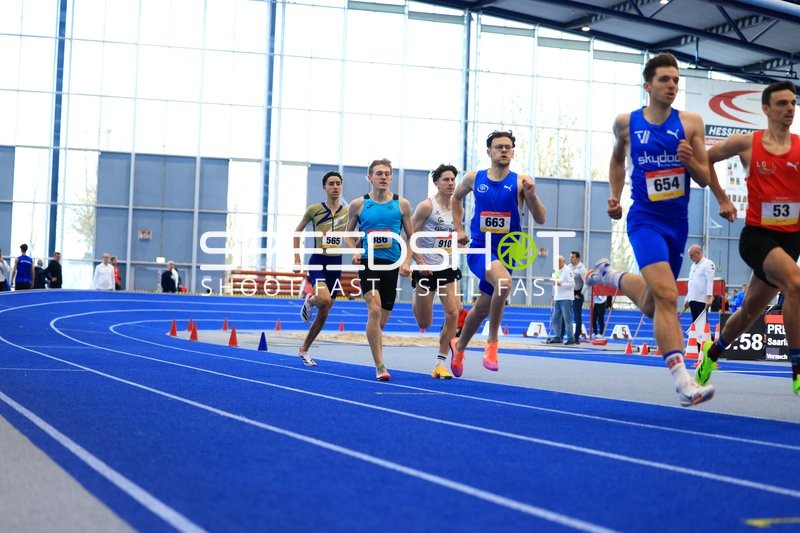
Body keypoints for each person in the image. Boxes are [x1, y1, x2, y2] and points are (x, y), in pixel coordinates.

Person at [586, 52, 715, 407]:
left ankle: (610, 275)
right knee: (668, 297)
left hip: (677, 223)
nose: (672, 85)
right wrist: (614, 197)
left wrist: (691, 163)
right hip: (644, 219)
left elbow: (704, 179)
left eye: (675, 80)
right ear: (647, 85)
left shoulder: (690, 123)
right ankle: (683, 381)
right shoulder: (626, 123)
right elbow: (616, 158)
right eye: (664, 80)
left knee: (652, 302)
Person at [697, 80, 800, 395]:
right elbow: (705, 159)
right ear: (766, 109)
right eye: (782, 103)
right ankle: (797, 369)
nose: (789, 109)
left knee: (750, 312)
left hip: (791, 240)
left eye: (793, 103)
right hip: (757, 238)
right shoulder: (746, 144)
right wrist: (722, 198)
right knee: (796, 284)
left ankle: (712, 353)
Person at [449, 130, 547, 376]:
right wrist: (459, 229)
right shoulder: (474, 178)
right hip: (481, 247)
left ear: (513, 152)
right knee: (504, 283)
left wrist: (532, 196)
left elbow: (541, 218)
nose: (504, 150)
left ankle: (459, 346)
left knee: (482, 308)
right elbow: (456, 199)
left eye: (508, 147)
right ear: (489, 152)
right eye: (499, 146)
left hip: (508, 252)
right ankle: (492, 343)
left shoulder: (521, 182)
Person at [344, 158, 414, 381]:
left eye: (387, 174)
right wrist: (354, 251)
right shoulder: (359, 205)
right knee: (373, 310)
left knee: (380, 322)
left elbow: (412, 237)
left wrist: (406, 262)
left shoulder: (402, 204)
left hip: (392, 264)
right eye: (379, 173)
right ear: (370, 178)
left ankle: (375, 348)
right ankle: (380, 366)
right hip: (368, 263)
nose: (383, 177)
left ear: (391, 178)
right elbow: (348, 234)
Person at [409, 163, 462, 379]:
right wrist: (420, 261)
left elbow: (455, 235)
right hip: (425, 270)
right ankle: (437, 322)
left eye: (453, 179)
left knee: (453, 313)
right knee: (424, 322)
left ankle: (440, 363)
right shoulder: (426, 207)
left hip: (447, 267)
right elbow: (408, 237)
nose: (451, 183)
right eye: (446, 180)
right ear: (436, 183)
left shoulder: (458, 208)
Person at [293, 170, 349, 367]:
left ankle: (304, 349)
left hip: (336, 263)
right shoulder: (314, 209)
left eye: (338, 183)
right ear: (324, 187)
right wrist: (297, 258)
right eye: (331, 183)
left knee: (325, 310)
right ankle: (310, 299)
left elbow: (353, 236)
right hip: (318, 260)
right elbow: (297, 231)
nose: (335, 187)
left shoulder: (348, 212)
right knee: (323, 300)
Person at [546, 255, 576, 344]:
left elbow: (572, 284)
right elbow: (554, 284)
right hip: (558, 298)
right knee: (555, 319)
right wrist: (553, 294)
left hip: (566, 298)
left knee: (567, 319)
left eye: (559, 261)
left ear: (563, 261)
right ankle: (558, 336)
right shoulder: (556, 271)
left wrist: (561, 284)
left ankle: (571, 338)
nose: (558, 263)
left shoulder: (568, 270)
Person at [684, 244, 715, 322]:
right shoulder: (693, 266)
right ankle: (695, 334)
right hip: (693, 298)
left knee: (701, 321)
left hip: (701, 299)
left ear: (698, 253)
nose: (690, 258)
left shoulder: (708, 264)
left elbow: (709, 281)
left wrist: (709, 297)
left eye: (691, 255)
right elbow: (691, 283)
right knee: (694, 321)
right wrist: (687, 298)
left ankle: (704, 334)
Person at [569, 250, 587, 342]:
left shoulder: (582, 269)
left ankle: (576, 337)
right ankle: (566, 335)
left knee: (577, 316)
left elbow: (586, 283)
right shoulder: (568, 267)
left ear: (577, 258)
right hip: (569, 293)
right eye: (570, 257)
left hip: (577, 294)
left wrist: (580, 294)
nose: (570, 259)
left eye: (572, 257)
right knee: (567, 315)